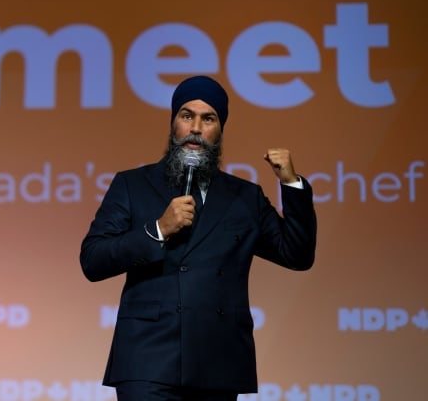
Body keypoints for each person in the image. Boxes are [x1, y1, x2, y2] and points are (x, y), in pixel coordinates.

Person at [80, 75, 317, 401]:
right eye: (186, 115)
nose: (196, 128)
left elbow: (297, 255)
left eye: (209, 118)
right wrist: (158, 229)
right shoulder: (132, 185)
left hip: (217, 361)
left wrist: (291, 184)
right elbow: (93, 260)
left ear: (220, 130)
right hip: (147, 359)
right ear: (173, 123)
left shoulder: (244, 197)